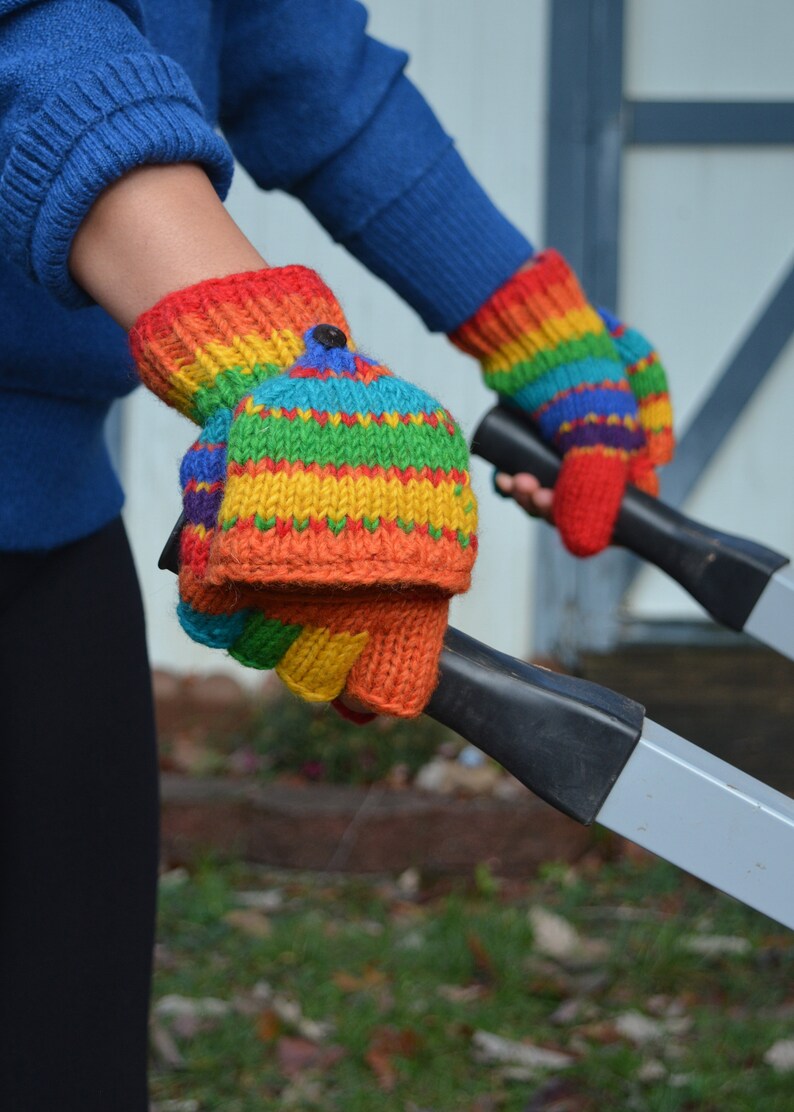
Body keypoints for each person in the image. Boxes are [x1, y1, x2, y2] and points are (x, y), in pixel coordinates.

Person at [0, 2, 673, 1108]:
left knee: (70, 1051)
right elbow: (37, 37)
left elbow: (301, 60)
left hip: (57, 530)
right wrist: (258, 349)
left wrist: (532, 323)